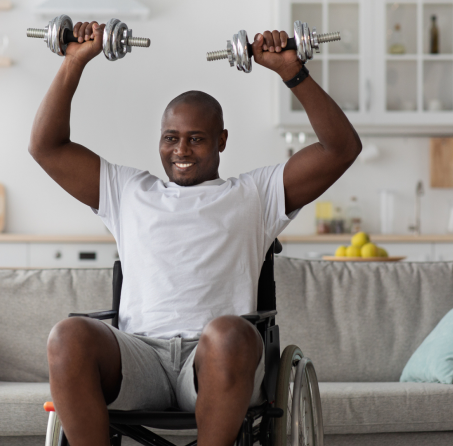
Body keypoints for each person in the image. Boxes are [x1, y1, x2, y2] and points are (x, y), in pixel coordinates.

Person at [29, 21, 361, 446]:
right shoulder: (128, 191)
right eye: (171, 138)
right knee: (67, 335)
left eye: (196, 139)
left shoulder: (255, 195)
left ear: (222, 140)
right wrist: (74, 62)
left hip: (214, 363)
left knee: (229, 332)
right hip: (139, 357)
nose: (181, 151)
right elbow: (47, 147)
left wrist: (292, 73)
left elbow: (341, 149)